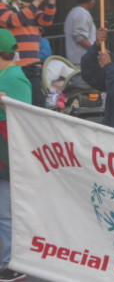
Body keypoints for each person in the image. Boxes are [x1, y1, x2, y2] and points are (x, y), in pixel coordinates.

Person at [0, 0, 67, 107]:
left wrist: (51, 0)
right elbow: (15, 20)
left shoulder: (26, 6)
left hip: (34, 67)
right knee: (21, 109)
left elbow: (46, 21)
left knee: (38, 110)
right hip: (15, 69)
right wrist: (37, 1)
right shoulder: (1, 8)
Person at [0, 29, 32, 282]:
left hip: (7, 151)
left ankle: (13, 261)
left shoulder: (13, 77)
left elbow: (23, 118)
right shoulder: (6, 74)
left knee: (6, 209)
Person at [64, 0, 96, 66]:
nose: (94, 2)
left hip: (76, 60)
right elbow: (79, 37)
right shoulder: (82, 14)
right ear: (88, 0)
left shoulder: (73, 12)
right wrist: (95, 50)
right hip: (82, 61)